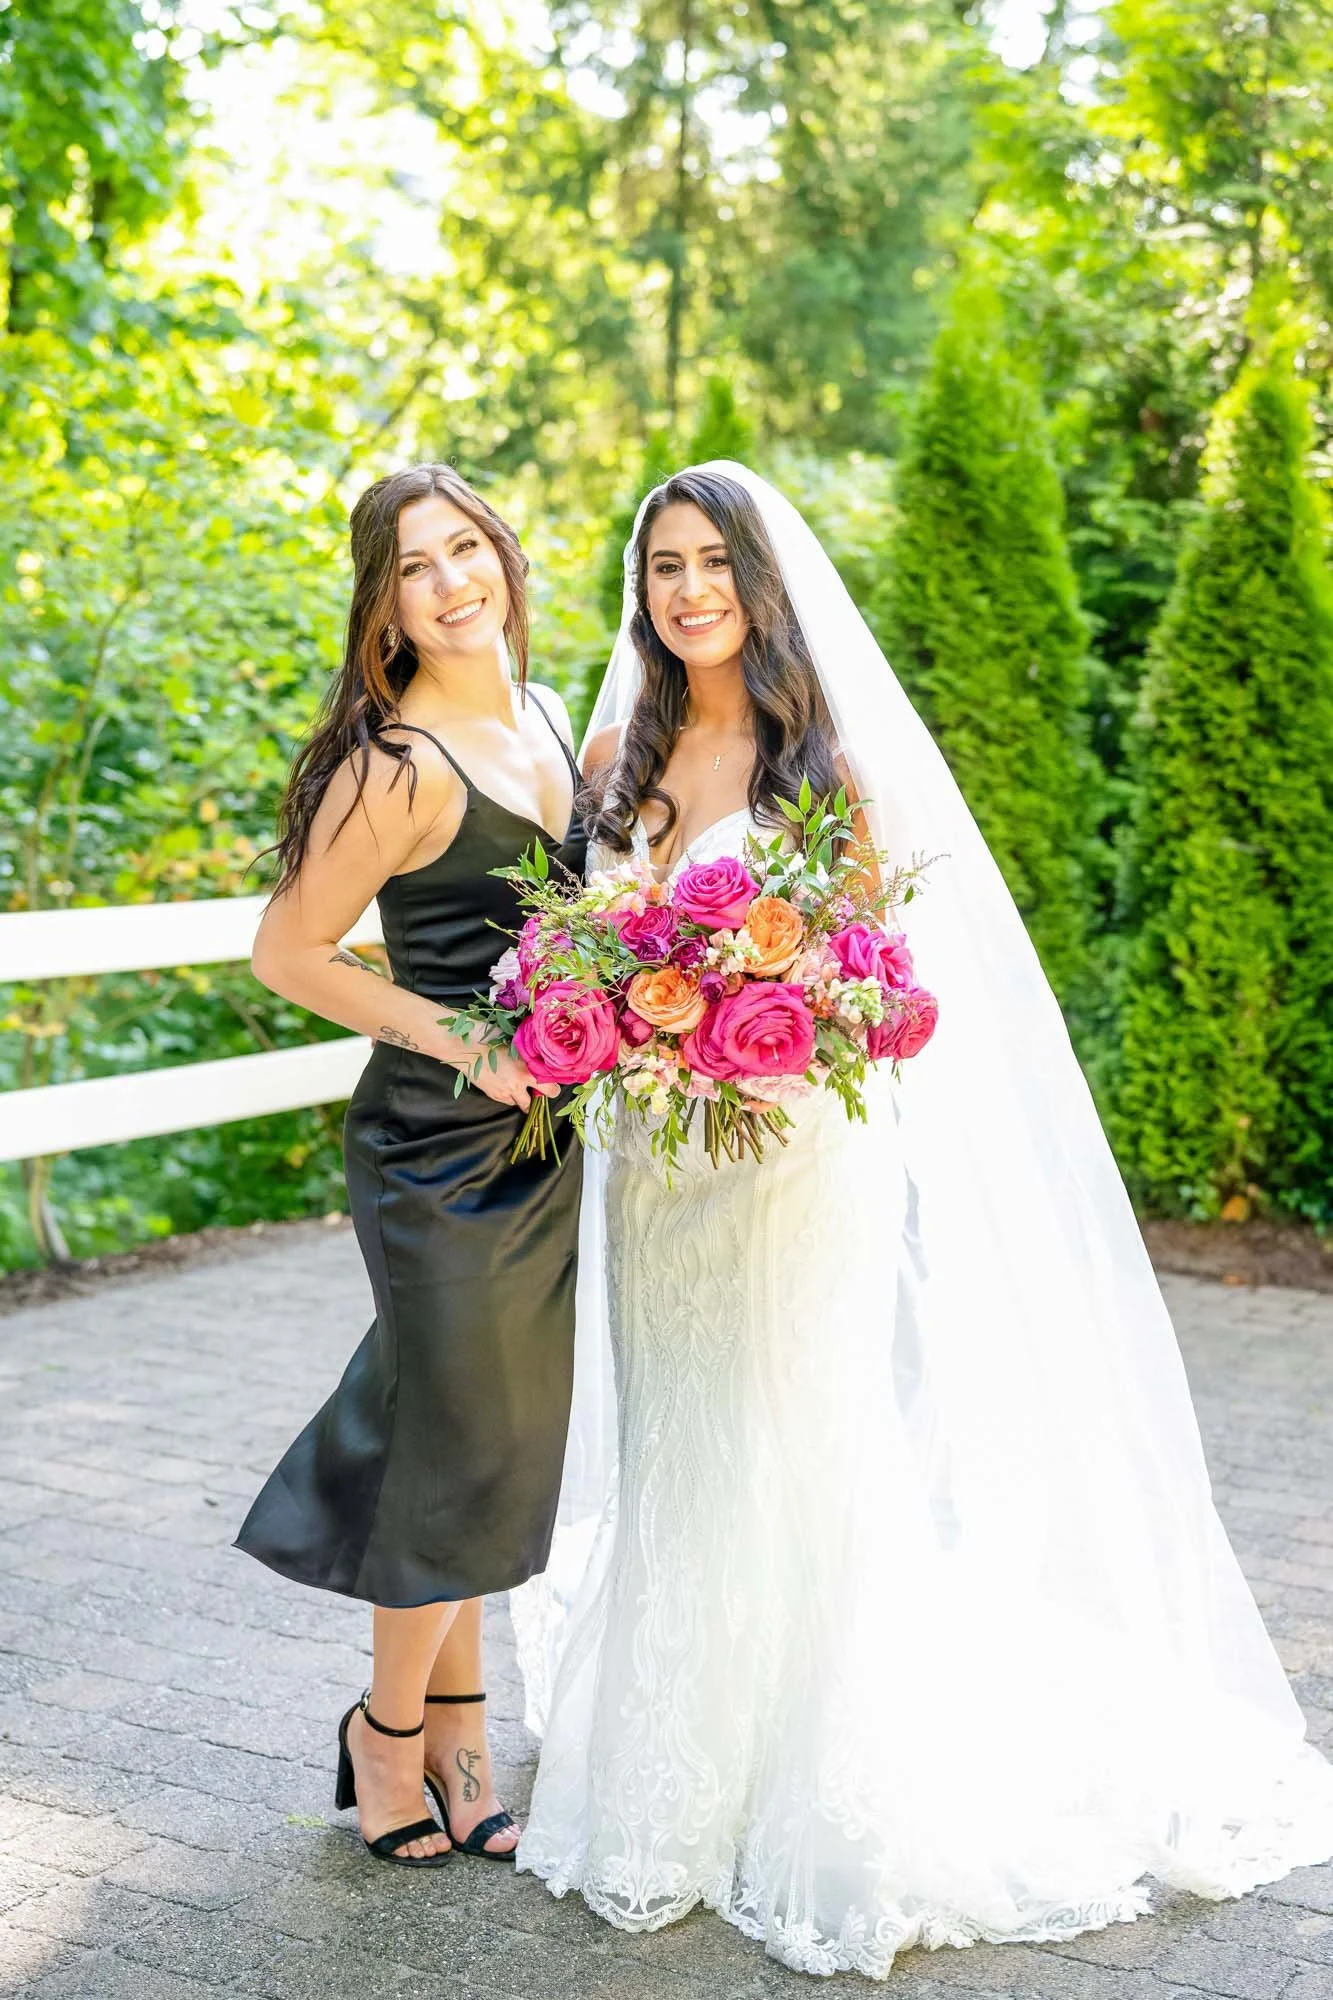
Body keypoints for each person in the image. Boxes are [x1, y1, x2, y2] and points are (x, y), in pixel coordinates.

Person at [512, 463, 1333, 1975]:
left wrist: (764, 1030)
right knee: (684, 1436)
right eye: (664, 566)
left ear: (762, 583)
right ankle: (675, 1766)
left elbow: (876, 991)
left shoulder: (823, 763)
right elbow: (586, 947)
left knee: (797, 1432)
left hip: (794, 1160)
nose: (687, 591)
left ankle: (823, 1775)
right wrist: (625, 1023)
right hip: (657, 1166)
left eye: (713, 564)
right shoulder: (622, 750)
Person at [235, 464, 586, 1868]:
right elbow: (287, 956)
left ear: (503, 552)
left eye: (466, 548)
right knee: (453, 1440)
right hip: (433, 1144)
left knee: (498, 1441)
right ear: (382, 602)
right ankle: (389, 1740)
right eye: (413, 566)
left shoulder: (553, 718)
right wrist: (467, 1041)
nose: (451, 581)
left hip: (549, 1140)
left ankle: (460, 1727)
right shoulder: (394, 765)